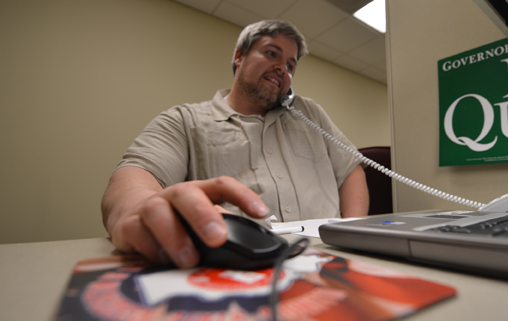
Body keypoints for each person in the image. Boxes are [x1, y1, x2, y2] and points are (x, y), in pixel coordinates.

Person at [101, 20, 369, 268]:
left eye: (290, 65)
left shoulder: (310, 113)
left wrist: (351, 233)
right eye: (272, 53)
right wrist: (137, 209)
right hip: (242, 262)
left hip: (334, 257)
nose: (282, 68)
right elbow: (135, 176)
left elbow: (350, 170)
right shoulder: (185, 120)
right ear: (239, 57)